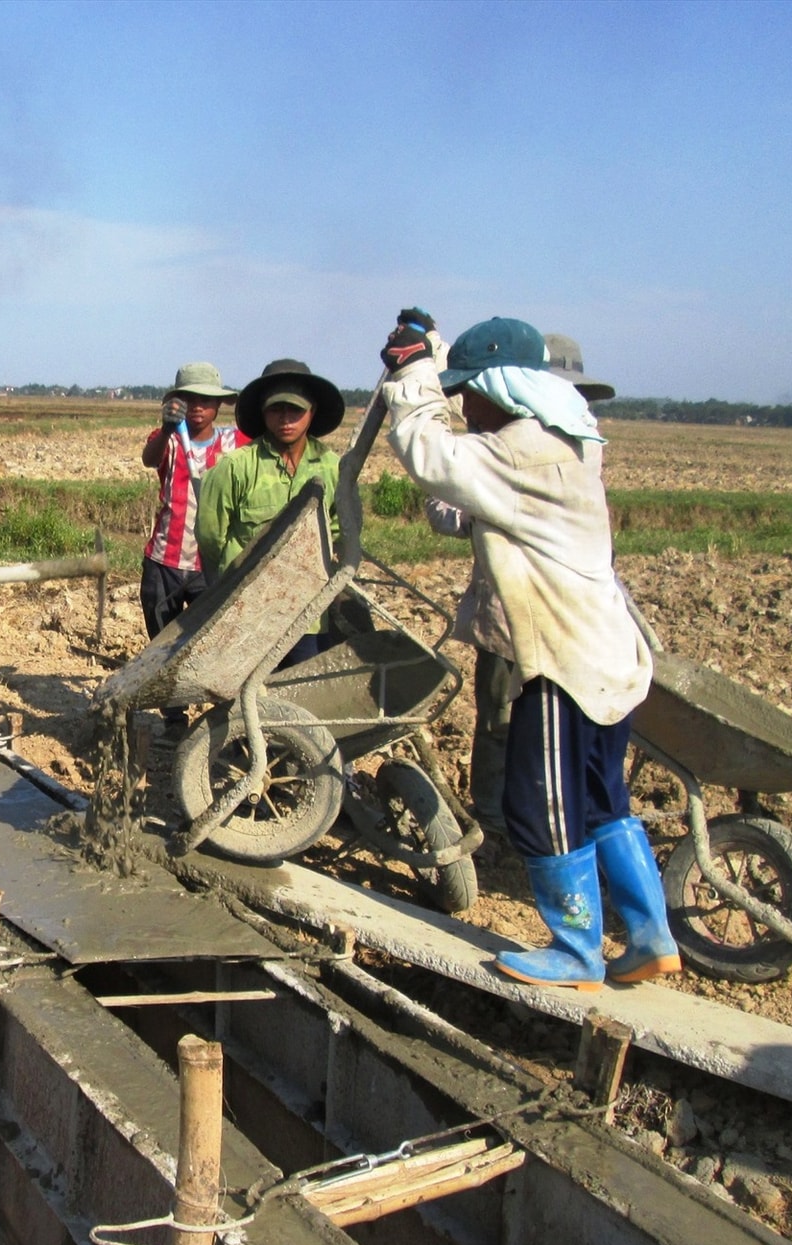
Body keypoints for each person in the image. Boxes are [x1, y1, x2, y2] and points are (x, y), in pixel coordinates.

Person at [379, 312, 677, 990]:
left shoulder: (520, 449)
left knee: (538, 800)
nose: (463, 404)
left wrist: (414, 375)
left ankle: (576, 947)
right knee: (602, 798)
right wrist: (434, 347)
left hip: (561, 662)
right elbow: (461, 494)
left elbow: (429, 451)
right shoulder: (564, 440)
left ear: (503, 391)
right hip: (606, 656)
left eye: (468, 392)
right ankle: (650, 932)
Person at [421, 329, 617, 837]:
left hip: (566, 624)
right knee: (499, 722)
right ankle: (497, 813)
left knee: (552, 732)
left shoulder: (581, 450)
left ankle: (547, 822)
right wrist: (478, 512)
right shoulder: (500, 449)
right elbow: (447, 510)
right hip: (508, 615)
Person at [195, 358, 346, 667]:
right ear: (263, 413)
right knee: (246, 694)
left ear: (311, 412)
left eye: (295, 410)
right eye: (276, 410)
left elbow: (339, 528)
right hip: (248, 612)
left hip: (307, 609)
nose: (285, 419)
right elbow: (210, 536)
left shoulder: (332, 467)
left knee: (300, 687)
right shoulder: (235, 467)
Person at [139, 363, 246, 640]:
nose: (197, 406)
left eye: (206, 400)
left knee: (208, 640)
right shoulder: (169, 440)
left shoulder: (235, 442)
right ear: (178, 402)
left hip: (211, 565)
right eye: (190, 399)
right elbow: (150, 459)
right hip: (165, 562)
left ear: (219, 404)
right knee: (161, 643)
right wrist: (166, 429)